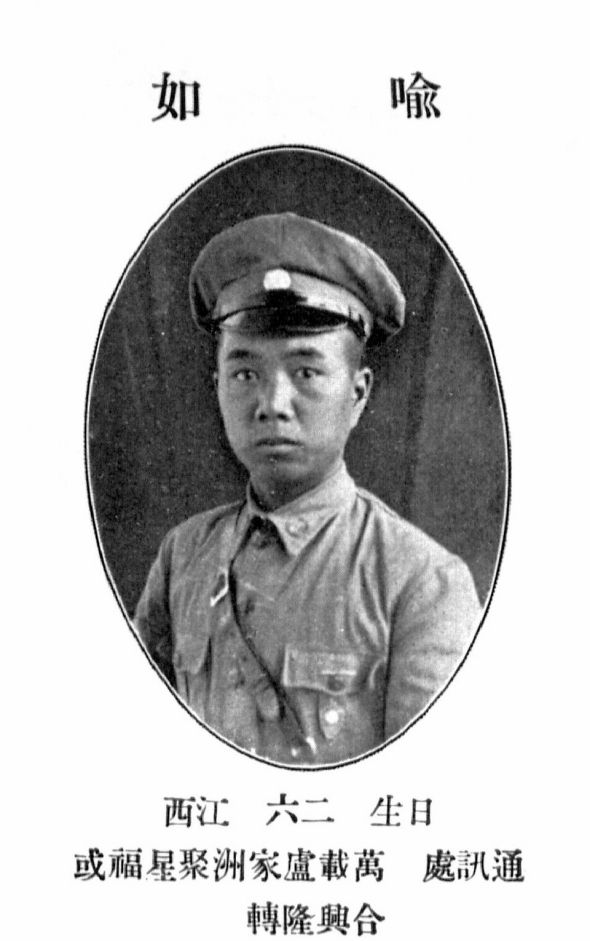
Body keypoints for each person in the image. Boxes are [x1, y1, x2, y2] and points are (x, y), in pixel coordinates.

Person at [134, 211, 481, 765]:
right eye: (245, 374)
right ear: (217, 387)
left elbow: (429, 781)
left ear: (358, 394)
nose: (272, 404)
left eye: (306, 373)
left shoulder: (420, 583)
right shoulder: (183, 557)